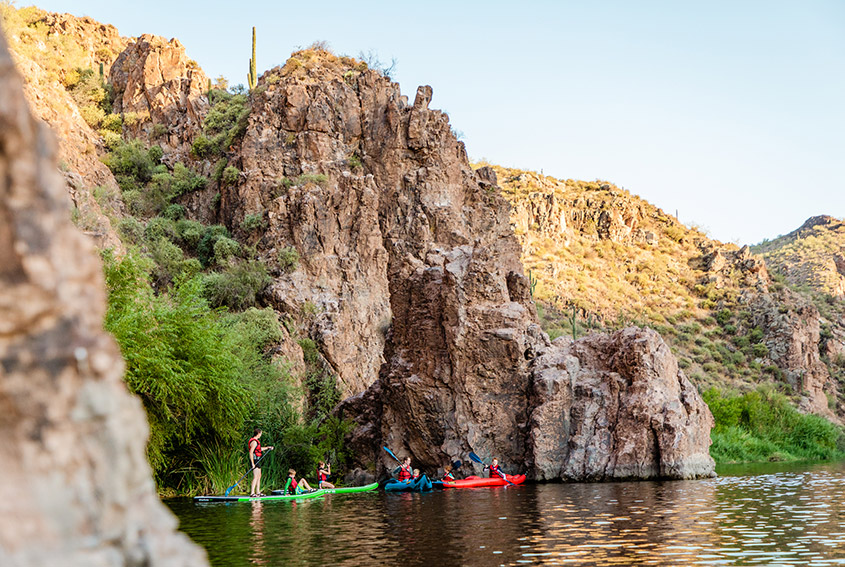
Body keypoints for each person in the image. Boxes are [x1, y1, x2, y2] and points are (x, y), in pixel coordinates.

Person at [248, 428, 273, 497]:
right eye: (261, 434)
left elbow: (259, 449)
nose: (261, 435)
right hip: (254, 460)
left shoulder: (256, 442)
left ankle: (258, 492)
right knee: (255, 476)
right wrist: (252, 463)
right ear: (258, 433)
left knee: (259, 476)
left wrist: (268, 447)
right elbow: (251, 452)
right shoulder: (254, 442)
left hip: (257, 460)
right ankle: (252, 493)